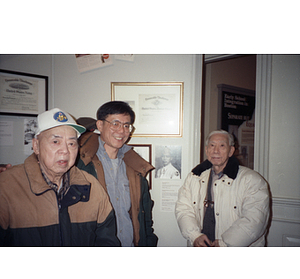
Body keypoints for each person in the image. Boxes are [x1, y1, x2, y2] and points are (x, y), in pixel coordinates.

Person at [0, 108, 120, 246]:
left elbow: (107, 242)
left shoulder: (91, 186)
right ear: (36, 146)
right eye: (56, 142)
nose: (65, 150)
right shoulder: (6, 186)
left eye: (71, 143)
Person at [77, 101, 158, 247]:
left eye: (126, 125)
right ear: (100, 125)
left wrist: (149, 243)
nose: (121, 131)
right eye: (115, 123)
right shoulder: (82, 164)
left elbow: (145, 216)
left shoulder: (135, 168)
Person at [175, 129, 270, 247]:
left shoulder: (252, 180)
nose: (216, 151)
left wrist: (225, 244)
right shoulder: (194, 177)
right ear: (206, 149)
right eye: (212, 145)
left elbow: (254, 220)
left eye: (222, 146)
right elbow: (183, 208)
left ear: (231, 151)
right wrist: (194, 235)